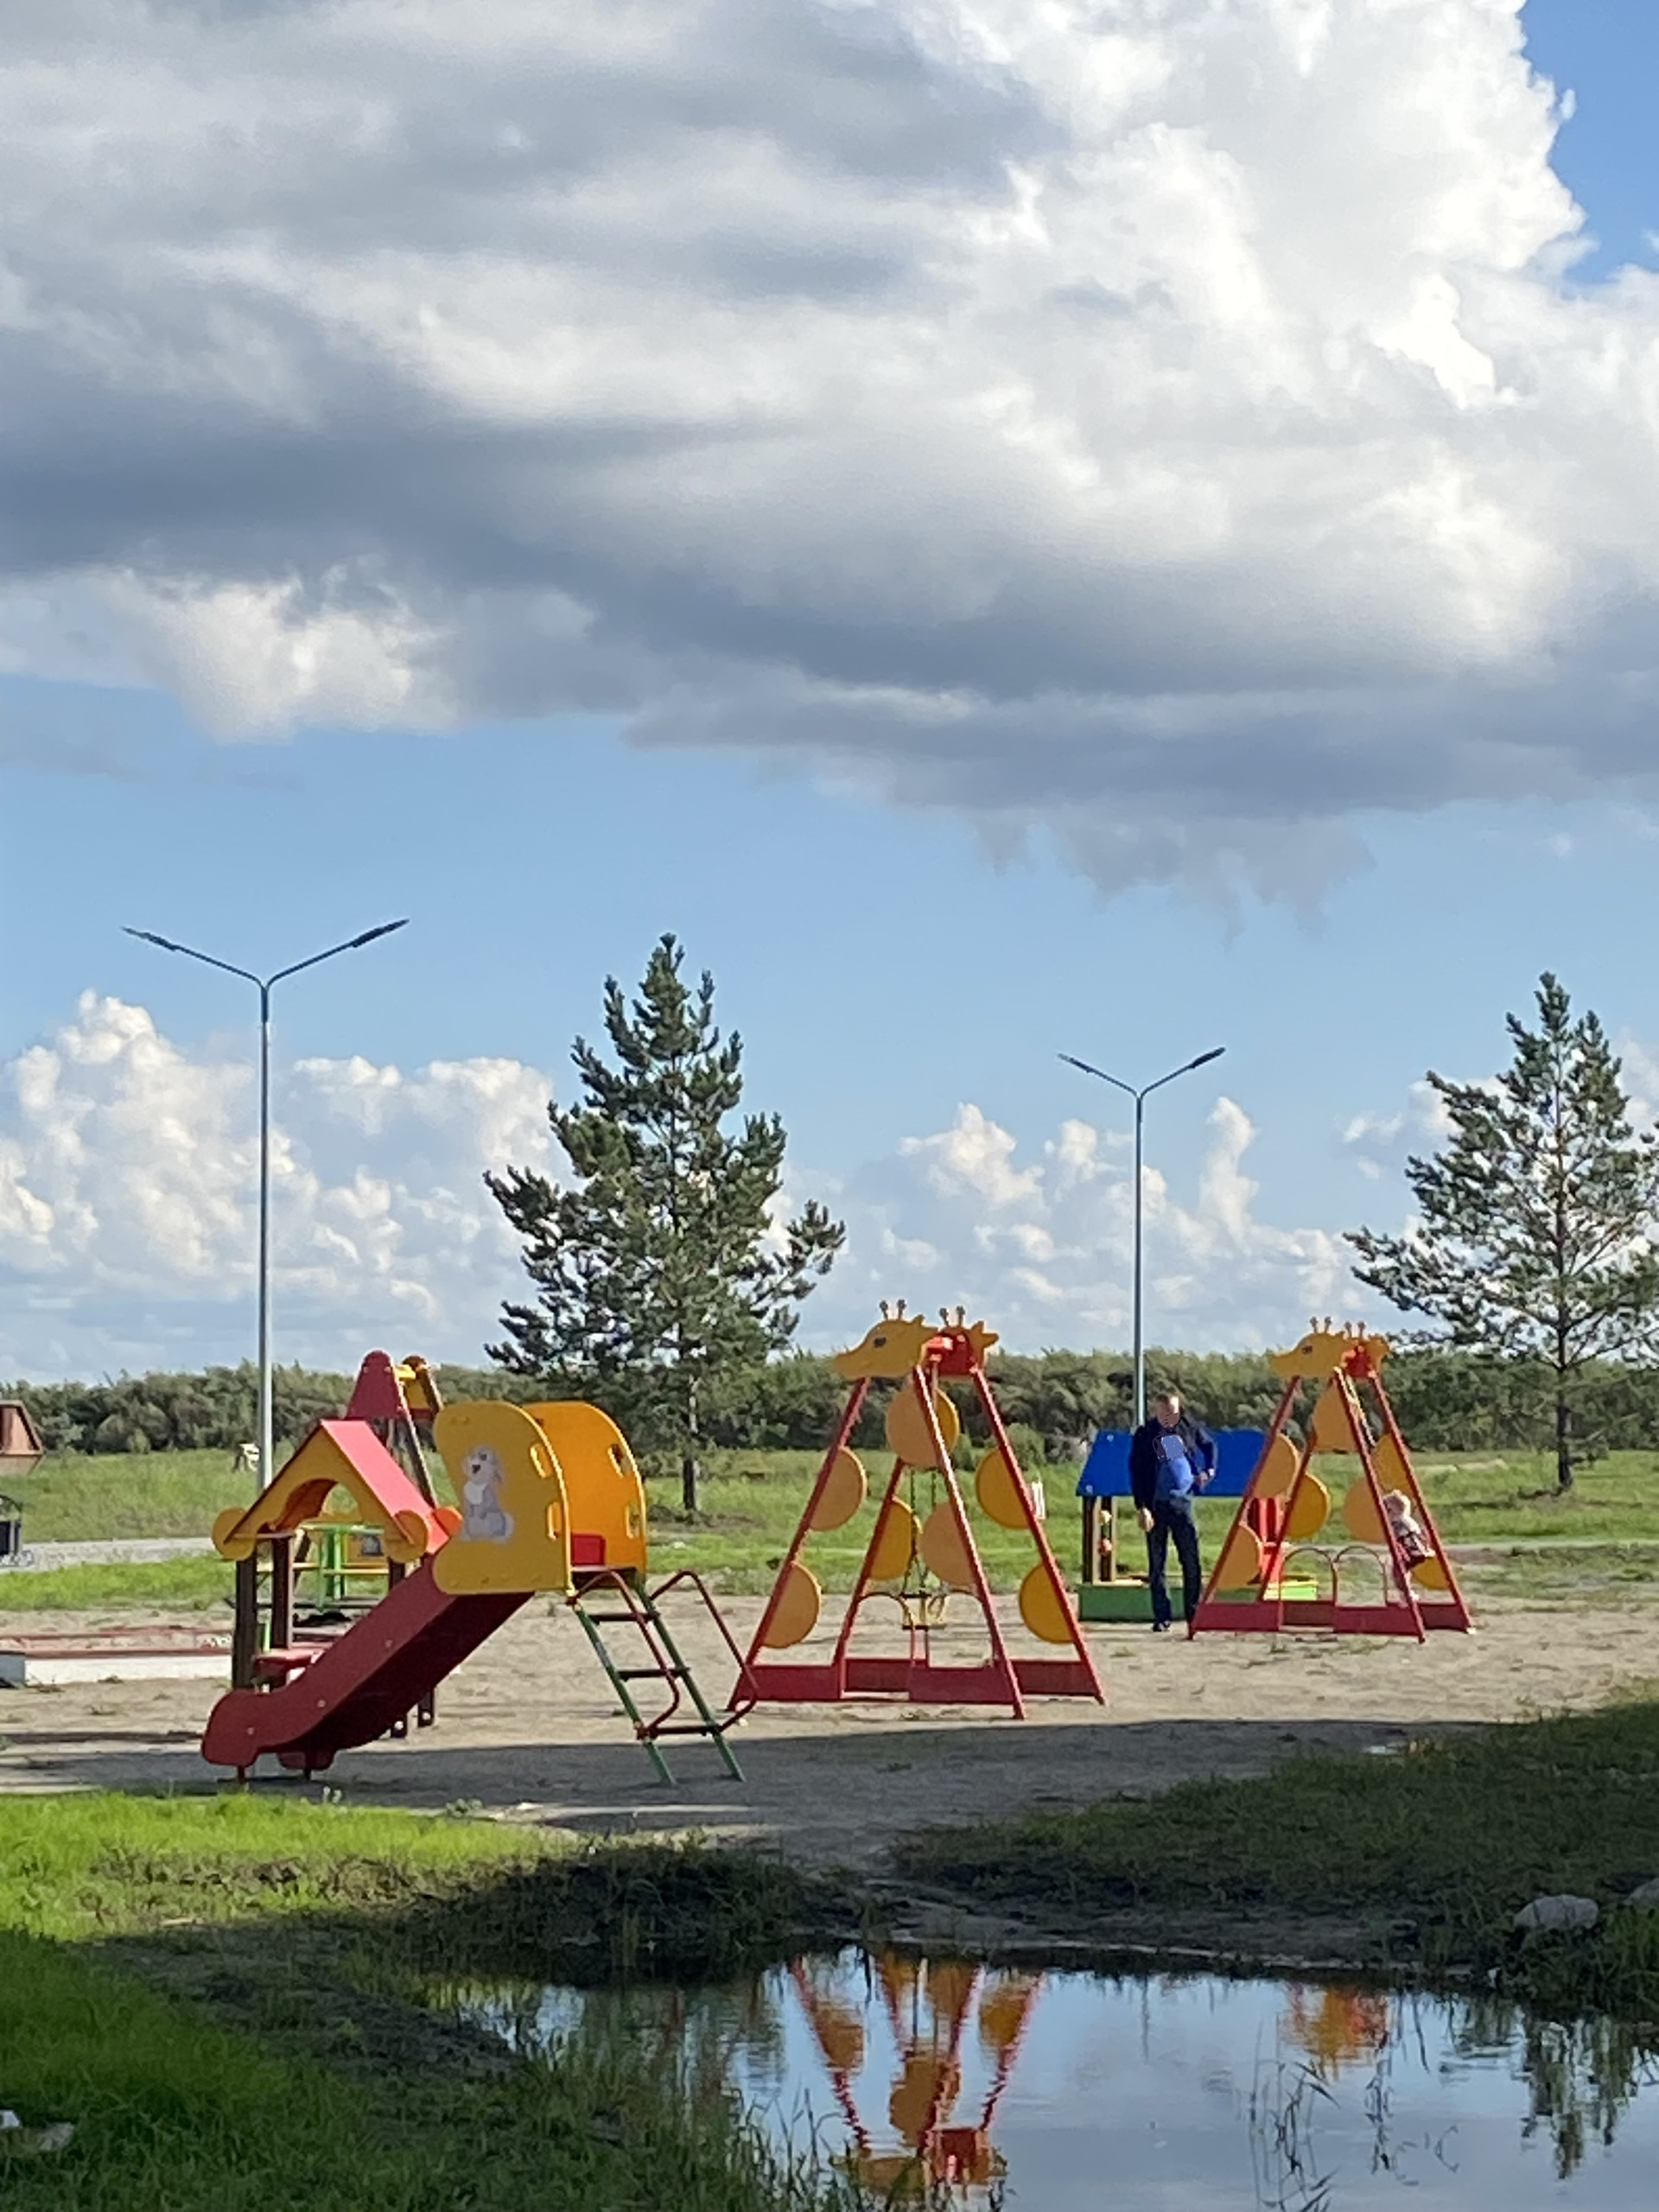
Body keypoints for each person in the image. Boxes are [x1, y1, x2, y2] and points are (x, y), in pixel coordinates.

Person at [1128, 1390, 1217, 1632]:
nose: (1171, 1416)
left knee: (1191, 1559)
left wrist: (1208, 1471)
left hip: (1182, 1502)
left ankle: (1194, 1614)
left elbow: (1209, 1446)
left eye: (1174, 1412)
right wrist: (1142, 1507)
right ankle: (1162, 1616)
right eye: (1166, 1412)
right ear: (1157, 1410)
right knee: (1157, 1563)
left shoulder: (1187, 1427)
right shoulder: (1146, 1434)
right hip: (1155, 1505)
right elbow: (1137, 1472)